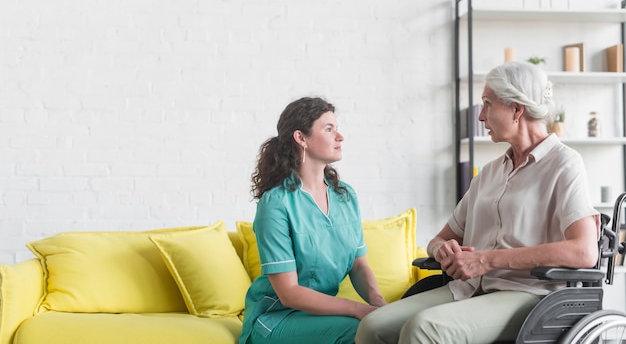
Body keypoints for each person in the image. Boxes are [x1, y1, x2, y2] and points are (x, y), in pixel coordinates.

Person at [356, 61, 599, 344]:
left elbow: (584, 251)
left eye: (487, 104)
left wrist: (485, 260)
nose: (481, 116)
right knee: (373, 326)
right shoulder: (490, 173)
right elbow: (438, 239)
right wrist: (443, 249)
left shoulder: (564, 164)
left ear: (516, 109)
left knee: (424, 329)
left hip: (526, 294)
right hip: (468, 288)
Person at [239, 96, 386, 344]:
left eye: (337, 129)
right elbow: (289, 293)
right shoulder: (276, 204)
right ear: (301, 138)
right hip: (277, 319)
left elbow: (358, 266)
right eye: (329, 129)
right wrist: (358, 309)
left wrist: (380, 305)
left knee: (388, 327)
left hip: (323, 316)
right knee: (359, 331)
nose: (340, 137)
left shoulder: (345, 196)